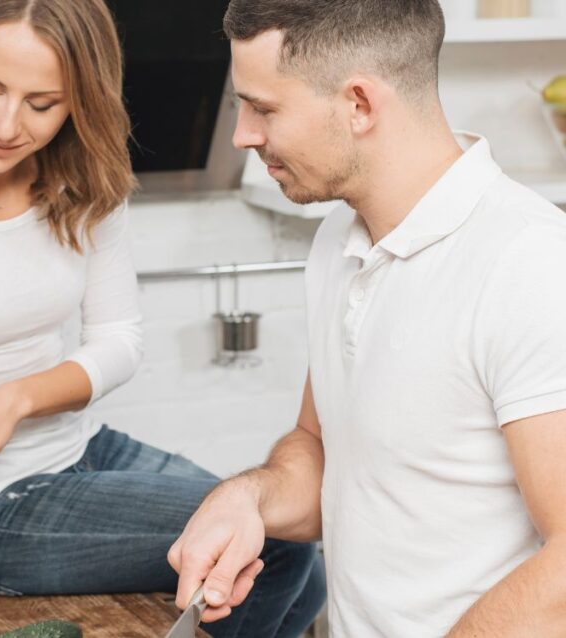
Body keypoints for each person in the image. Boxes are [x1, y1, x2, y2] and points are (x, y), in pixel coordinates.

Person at [0, 0, 325, 635]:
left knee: (300, 547)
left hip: (83, 450)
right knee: (271, 544)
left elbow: (119, 342)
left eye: (42, 103)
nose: (5, 123)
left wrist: (14, 399)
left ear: (80, 98)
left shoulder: (85, 184)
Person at [169, 0, 566, 635]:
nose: (243, 134)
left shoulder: (530, 266)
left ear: (359, 104)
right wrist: (248, 498)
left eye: (264, 107)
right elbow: (324, 451)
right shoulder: (337, 239)